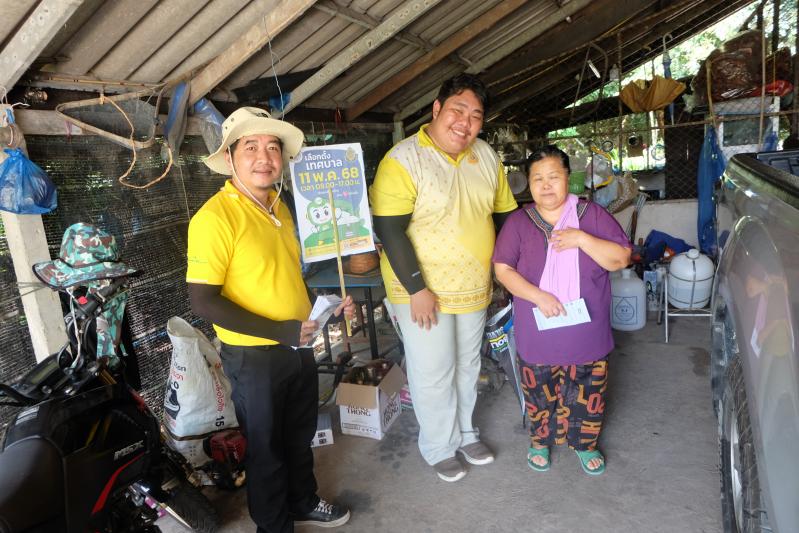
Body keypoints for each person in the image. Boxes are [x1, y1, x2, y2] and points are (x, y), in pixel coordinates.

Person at [186, 107, 354, 532]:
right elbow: (203, 300)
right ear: (229, 158)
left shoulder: (280, 209)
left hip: (298, 345)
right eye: (251, 147)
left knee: (298, 436)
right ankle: (274, 525)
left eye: (273, 147)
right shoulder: (214, 218)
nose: (264, 157)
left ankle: (302, 502)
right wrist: (279, 330)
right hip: (254, 356)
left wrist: (328, 307)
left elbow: (284, 279)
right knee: (265, 448)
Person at [369, 74, 518, 482]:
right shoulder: (403, 160)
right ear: (436, 109)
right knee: (433, 369)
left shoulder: (486, 157)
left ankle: (466, 433)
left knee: (468, 364)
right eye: (457, 110)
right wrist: (417, 288)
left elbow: (506, 217)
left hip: (473, 286)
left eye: (475, 116)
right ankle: (439, 446)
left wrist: (509, 270)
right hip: (420, 290)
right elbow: (390, 230)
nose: (465, 123)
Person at [492, 145, 631, 475]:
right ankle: (540, 441)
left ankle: (585, 443)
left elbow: (621, 258)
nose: (546, 185)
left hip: (586, 328)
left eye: (554, 176)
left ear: (569, 178)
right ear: (528, 183)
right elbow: (502, 270)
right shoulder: (518, 222)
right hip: (537, 328)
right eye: (537, 178)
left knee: (588, 388)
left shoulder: (591, 215)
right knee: (539, 390)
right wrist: (538, 296)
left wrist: (582, 239)